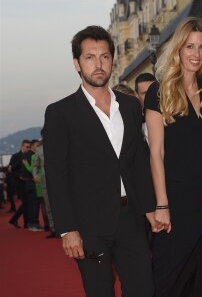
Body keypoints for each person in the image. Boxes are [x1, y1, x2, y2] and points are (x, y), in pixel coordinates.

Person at [43, 25, 157, 297]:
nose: (98, 64)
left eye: (104, 57)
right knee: (99, 292)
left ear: (112, 60)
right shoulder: (61, 113)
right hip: (89, 225)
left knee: (144, 288)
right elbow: (56, 175)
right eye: (90, 57)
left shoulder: (130, 107)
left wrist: (151, 208)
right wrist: (67, 229)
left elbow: (139, 163)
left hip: (130, 219)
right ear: (77, 64)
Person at [145, 17, 202, 297]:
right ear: (178, 49)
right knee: (166, 275)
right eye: (189, 46)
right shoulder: (158, 91)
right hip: (179, 196)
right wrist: (162, 204)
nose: (196, 54)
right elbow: (156, 152)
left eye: (201, 47)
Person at [32, 137, 58, 238]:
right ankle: (53, 229)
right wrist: (34, 174)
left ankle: (64, 228)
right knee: (48, 207)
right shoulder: (39, 150)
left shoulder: (59, 146)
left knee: (61, 205)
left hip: (60, 181)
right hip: (45, 181)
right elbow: (35, 166)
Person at [8, 139, 31, 228]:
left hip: (28, 182)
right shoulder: (15, 156)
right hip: (19, 183)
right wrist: (20, 176)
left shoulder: (30, 155)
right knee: (26, 202)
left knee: (27, 203)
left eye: (29, 147)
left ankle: (18, 221)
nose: (28, 148)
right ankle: (22, 222)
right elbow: (11, 170)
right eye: (27, 147)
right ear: (22, 146)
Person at [135, 73, 156, 143]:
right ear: (137, 96)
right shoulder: (135, 123)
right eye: (145, 93)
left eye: (153, 91)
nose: (150, 96)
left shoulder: (172, 116)